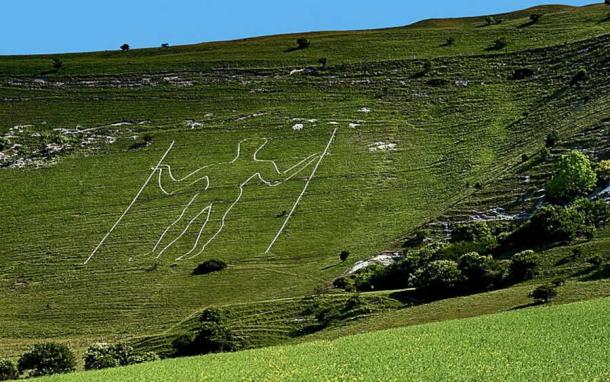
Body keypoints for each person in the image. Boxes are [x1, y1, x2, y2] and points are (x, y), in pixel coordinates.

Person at [150, 138, 321, 260]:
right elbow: (279, 178)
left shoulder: (220, 167)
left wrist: (163, 170)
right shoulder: (247, 166)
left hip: (216, 193)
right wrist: (310, 159)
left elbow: (175, 186)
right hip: (224, 194)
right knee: (196, 220)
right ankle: (173, 251)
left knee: (198, 220)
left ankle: (182, 252)